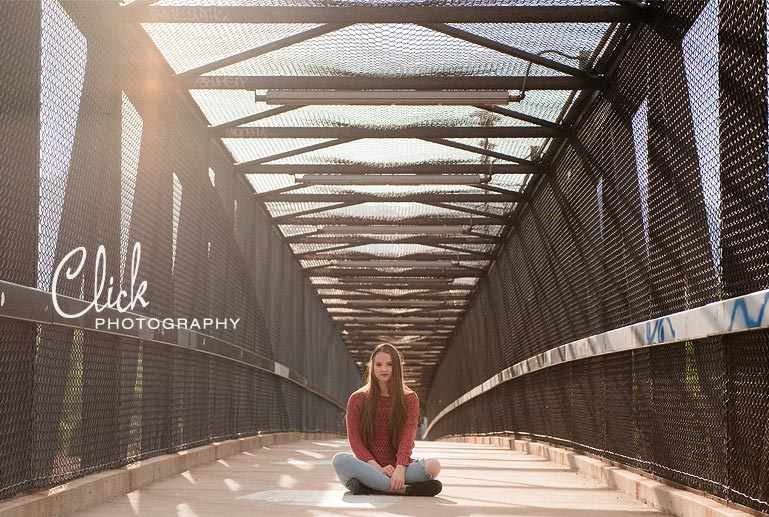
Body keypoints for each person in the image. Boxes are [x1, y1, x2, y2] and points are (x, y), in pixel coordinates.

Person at [331, 343, 443, 496]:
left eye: (389, 364)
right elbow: (355, 441)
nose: (383, 369)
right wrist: (378, 468)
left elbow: (407, 438)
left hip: (399, 468)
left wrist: (400, 468)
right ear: (372, 367)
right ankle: (404, 490)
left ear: (396, 367)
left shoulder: (410, 398)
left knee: (433, 466)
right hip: (368, 468)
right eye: (378, 364)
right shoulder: (357, 399)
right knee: (339, 460)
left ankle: (370, 486)